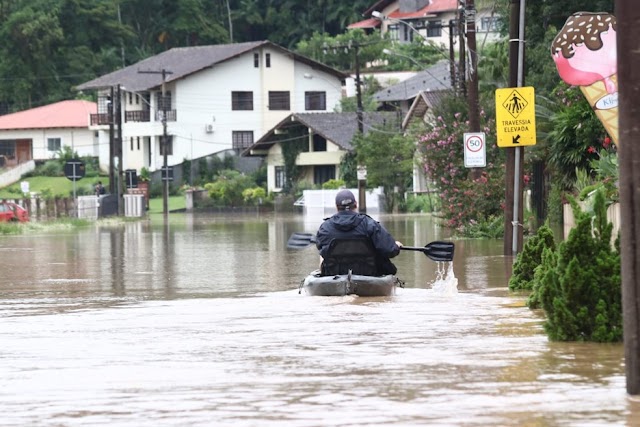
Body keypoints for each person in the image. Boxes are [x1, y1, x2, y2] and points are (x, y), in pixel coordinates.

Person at [315, 189, 402, 276]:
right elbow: (390, 250)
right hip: (368, 274)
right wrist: (396, 246)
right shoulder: (370, 224)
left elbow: (320, 247)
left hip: (335, 274)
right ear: (356, 204)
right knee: (378, 248)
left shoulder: (325, 227)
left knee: (322, 254)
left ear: (337, 207)